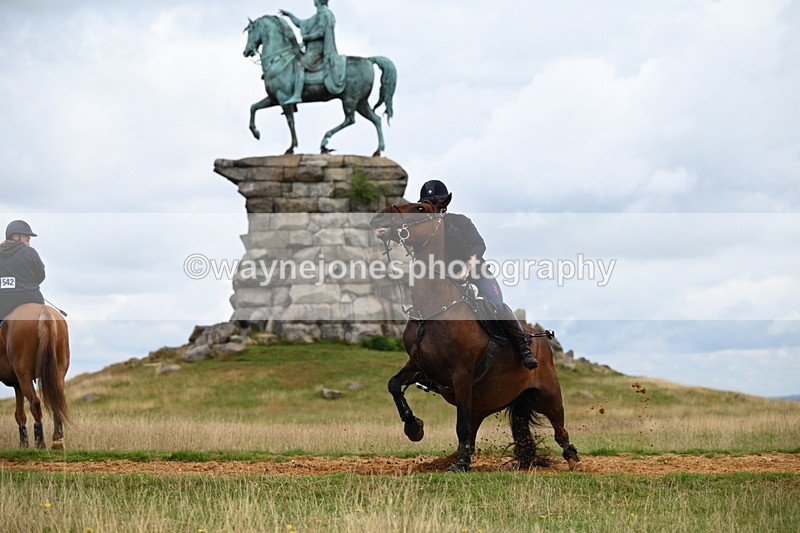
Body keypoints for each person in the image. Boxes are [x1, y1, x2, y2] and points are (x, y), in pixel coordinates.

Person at [418, 180, 539, 370]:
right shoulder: (426, 233)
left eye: (436, 204)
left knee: (496, 305)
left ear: (444, 205)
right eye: (429, 205)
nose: (433, 209)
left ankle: (523, 348)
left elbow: (479, 245)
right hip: (448, 280)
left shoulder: (460, 221)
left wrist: (467, 267)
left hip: (477, 272)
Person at [280, 0, 346, 103]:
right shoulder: (318, 14)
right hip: (312, 50)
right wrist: (289, 15)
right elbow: (301, 23)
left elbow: (321, 32)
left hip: (317, 51)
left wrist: (307, 37)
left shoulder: (324, 14)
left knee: (299, 65)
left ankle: (297, 95)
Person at [0, 220, 46, 323]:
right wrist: (27, 285)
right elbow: (41, 276)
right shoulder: (30, 252)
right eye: (26, 235)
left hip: (3, 300)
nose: (29, 238)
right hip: (30, 297)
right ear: (16, 236)